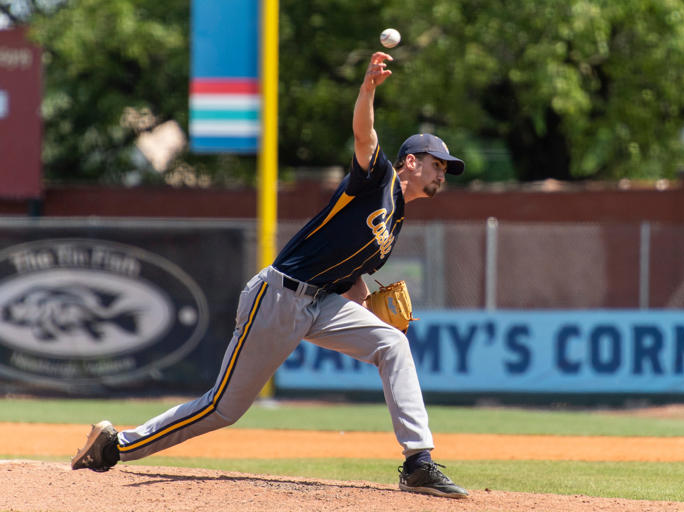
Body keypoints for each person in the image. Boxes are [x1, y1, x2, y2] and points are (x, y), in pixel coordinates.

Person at [71, 51, 468, 499]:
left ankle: (418, 463)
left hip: (320, 303)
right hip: (278, 297)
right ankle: (116, 445)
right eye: (438, 164)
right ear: (411, 162)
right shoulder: (377, 180)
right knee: (223, 408)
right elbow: (363, 133)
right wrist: (368, 88)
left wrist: (365, 306)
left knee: (392, 343)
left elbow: (350, 280)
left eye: (445, 169)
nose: (443, 174)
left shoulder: (394, 225)